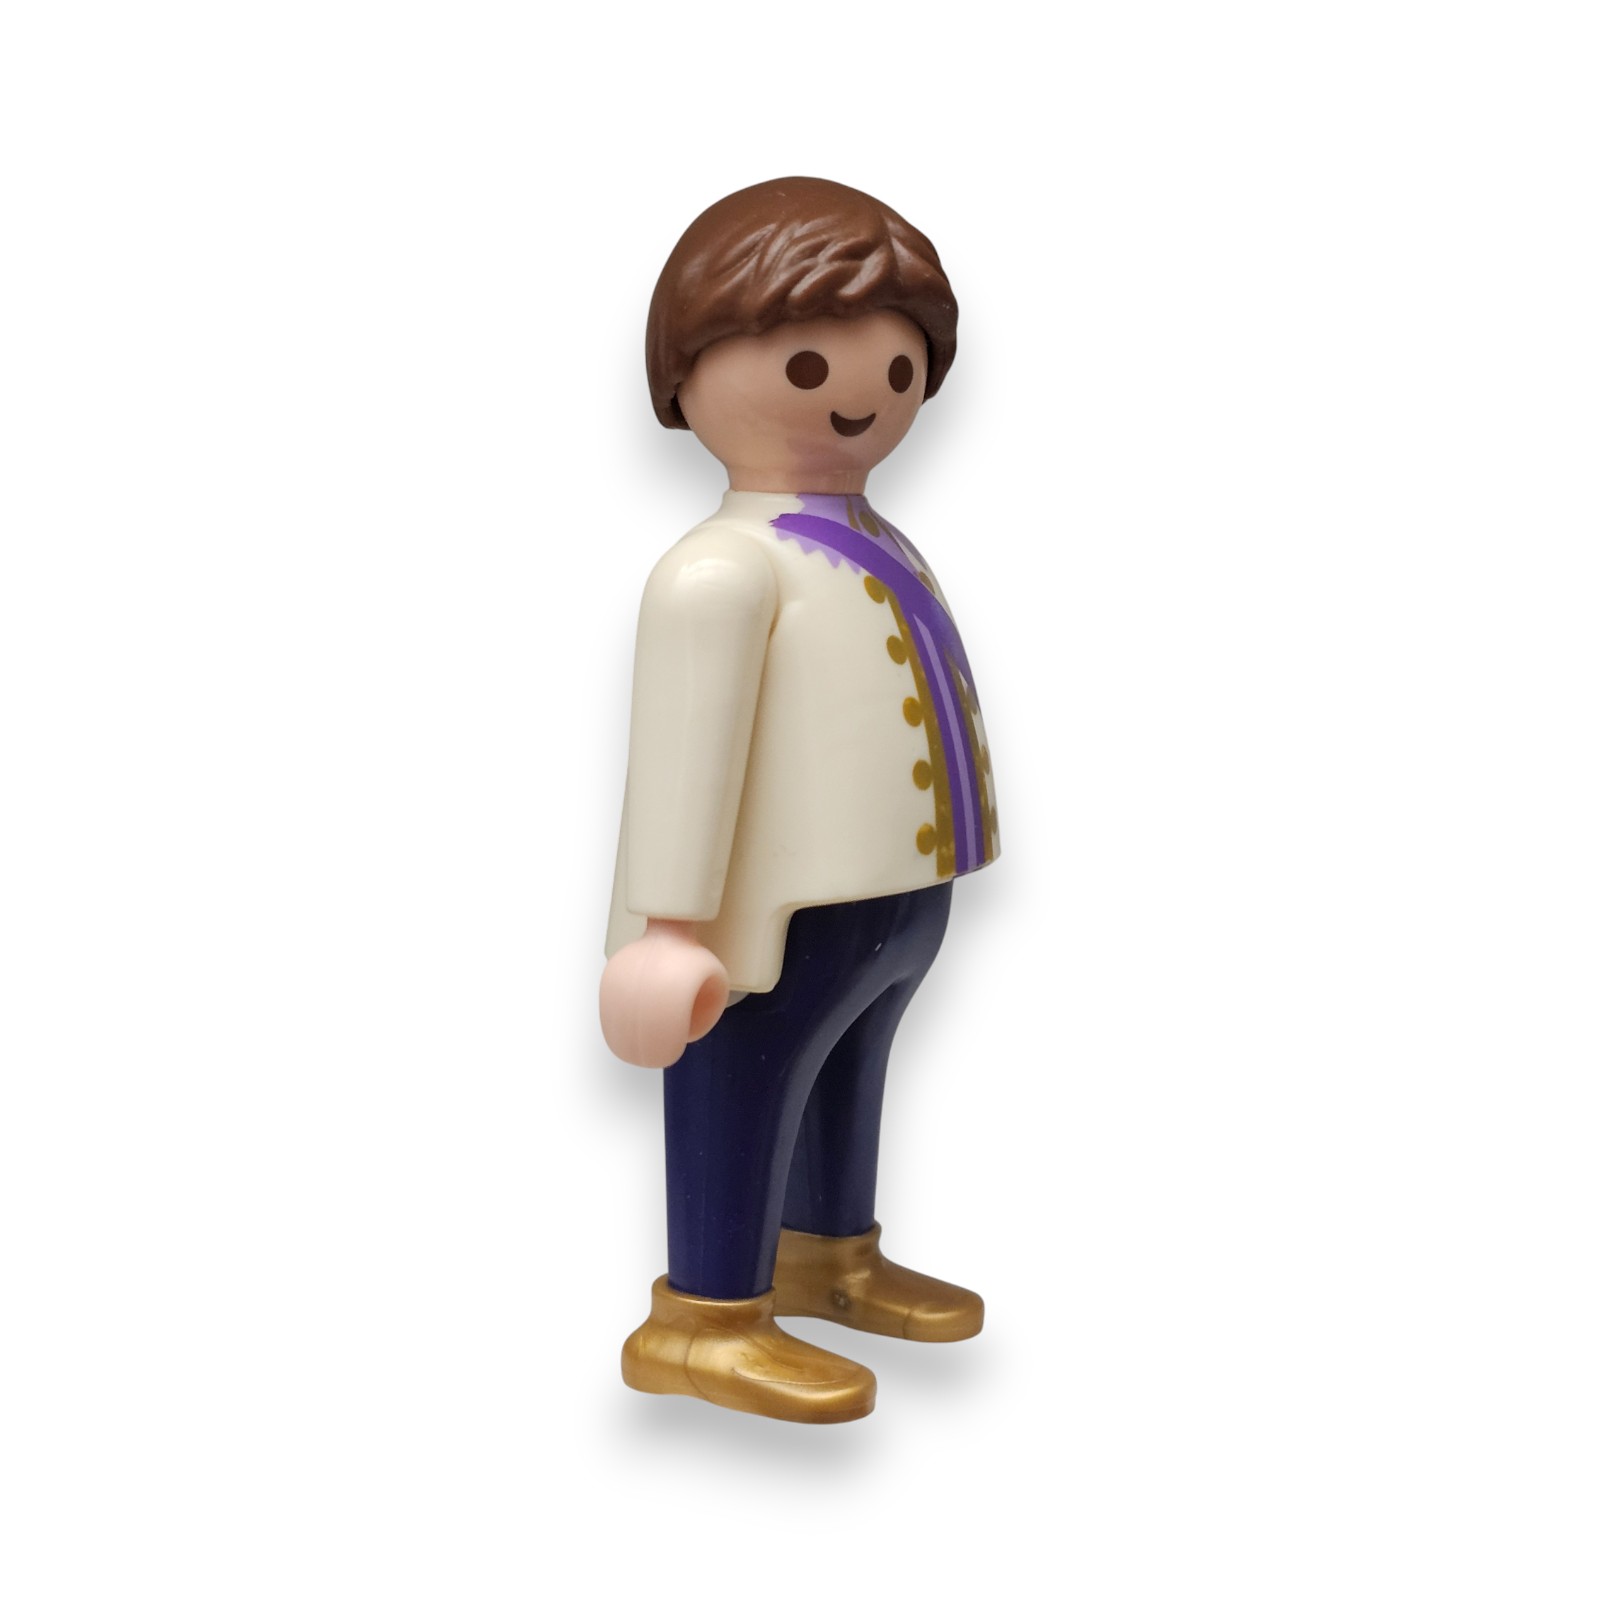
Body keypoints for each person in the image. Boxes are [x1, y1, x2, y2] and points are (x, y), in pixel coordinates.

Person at [601, 177, 999, 1423]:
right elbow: (682, 755)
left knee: (850, 1072)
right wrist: (663, 930)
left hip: (897, 895)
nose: (862, 394)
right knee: (743, 1089)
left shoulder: (875, 538)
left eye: (898, 366)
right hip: (773, 918)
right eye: (812, 363)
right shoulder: (719, 570)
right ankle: (705, 1316)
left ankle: (829, 1254)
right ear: (686, 376)